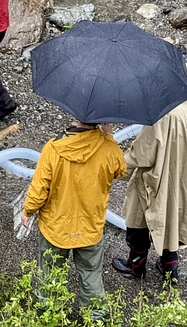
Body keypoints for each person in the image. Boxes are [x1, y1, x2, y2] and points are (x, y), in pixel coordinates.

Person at [22, 120, 126, 322]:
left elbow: (39, 189)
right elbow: (120, 170)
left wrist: (28, 211)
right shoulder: (107, 147)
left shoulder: (53, 147)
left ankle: (46, 313)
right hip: (90, 228)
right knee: (90, 274)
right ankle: (96, 318)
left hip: (56, 227)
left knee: (49, 272)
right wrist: (109, 136)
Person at [112, 99, 187, 284]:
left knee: (139, 220)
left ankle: (135, 266)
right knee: (173, 221)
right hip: (182, 181)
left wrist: (114, 169)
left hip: (154, 181)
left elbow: (141, 154)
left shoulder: (162, 114)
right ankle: (170, 267)